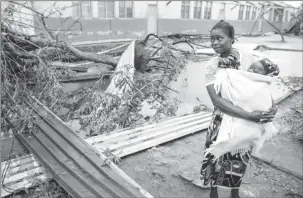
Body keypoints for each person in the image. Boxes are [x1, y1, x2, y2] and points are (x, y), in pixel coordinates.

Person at [200, 20, 279, 198]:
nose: (214, 42)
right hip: (222, 121)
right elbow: (216, 101)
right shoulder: (211, 67)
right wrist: (250, 116)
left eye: (219, 38)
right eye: (211, 39)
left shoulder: (247, 59)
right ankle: (215, 193)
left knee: (238, 162)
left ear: (232, 39)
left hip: (245, 124)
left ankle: (234, 193)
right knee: (218, 160)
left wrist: (273, 107)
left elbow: (263, 86)